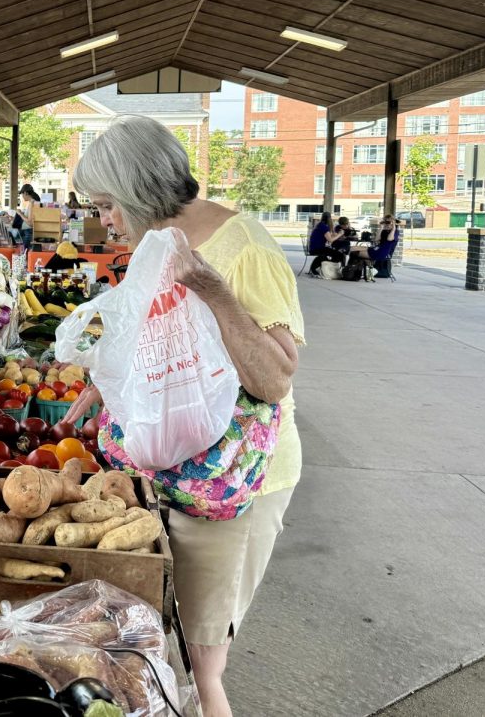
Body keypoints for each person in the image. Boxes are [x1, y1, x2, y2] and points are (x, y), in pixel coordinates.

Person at [62, 116, 304, 717]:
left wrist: (215, 292)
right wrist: (103, 381)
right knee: (160, 641)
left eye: (108, 205)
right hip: (173, 472)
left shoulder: (243, 248)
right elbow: (157, 343)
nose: (106, 220)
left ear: (140, 190)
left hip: (234, 484)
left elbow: (275, 379)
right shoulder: (154, 243)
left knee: (203, 659)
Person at [307, 212, 345, 276]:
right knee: (339, 255)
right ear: (329, 219)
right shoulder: (323, 227)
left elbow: (330, 236)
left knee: (334, 254)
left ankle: (324, 267)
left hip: (315, 247)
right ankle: (329, 268)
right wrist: (340, 234)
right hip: (317, 248)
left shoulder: (321, 225)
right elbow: (330, 240)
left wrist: (336, 234)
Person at [16, 183, 41, 248]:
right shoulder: (33, 202)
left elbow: (30, 223)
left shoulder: (32, 203)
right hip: (28, 232)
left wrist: (20, 214)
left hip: (28, 233)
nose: (22, 196)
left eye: (22, 194)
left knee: (25, 254)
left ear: (26, 193)